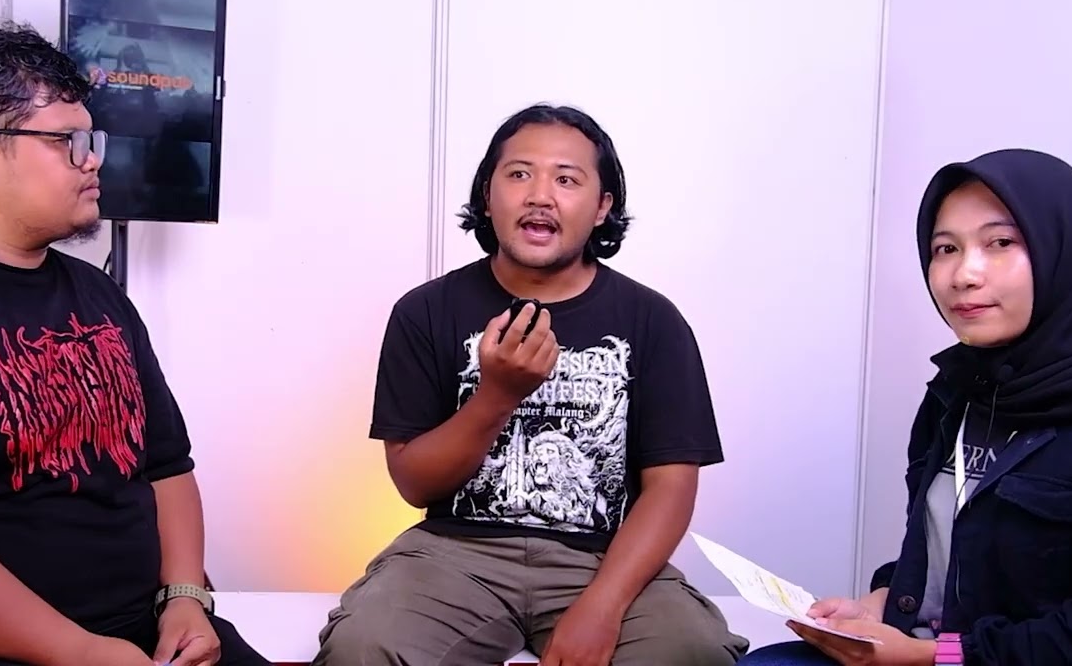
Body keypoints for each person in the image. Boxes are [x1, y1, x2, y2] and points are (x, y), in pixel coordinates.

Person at [0, 21, 268, 666]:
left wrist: (186, 599)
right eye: (66, 142)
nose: (93, 160)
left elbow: (167, 467)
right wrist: (81, 652)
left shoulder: (97, 295)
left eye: (92, 139)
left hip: (144, 634)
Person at [313, 103, 751, 666]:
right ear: (487, 195)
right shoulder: (425, 311)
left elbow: (671, 487)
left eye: (566, 180)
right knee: (363, 647)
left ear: (602, 207)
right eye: (519, 174)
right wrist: (496, 396)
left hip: (604, 557)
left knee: (692, 651)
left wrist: (603, 605)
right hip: (454, 554)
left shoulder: (653, 320)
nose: (540, 195)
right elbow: (415, 484)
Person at [738, 148, 1072, 665]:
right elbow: (946, 556)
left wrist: (931, 656)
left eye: (1001, 242)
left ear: (1066, 251)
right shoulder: (956, 391)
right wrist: (878, 604)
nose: (963, 274)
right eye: (945, 248)